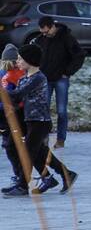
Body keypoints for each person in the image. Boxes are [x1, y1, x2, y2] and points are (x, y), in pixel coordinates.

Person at [5, 44, 77, 195]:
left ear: (30, 60)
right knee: (35, 151)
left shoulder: (38, 78)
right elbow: (17, 100)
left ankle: (23, 185)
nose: (17, 62)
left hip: (40, 122)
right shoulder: (24, 79)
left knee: (29, 153)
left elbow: (18, 94)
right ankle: (67, 174)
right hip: (28, 120)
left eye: (20, 59)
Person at [28, 15, 85, 150]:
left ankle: (61, 139)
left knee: (61, 111)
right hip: (45, 80)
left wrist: (68, 71)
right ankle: (44, 138)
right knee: (43, 110)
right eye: (42, 32)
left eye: (46, 31)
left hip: (61, 79)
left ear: (52, 27)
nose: (45, 34)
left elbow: (79, 55)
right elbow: (33, 57)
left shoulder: (67, 38)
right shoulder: (40, 40)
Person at [1, 44, 27, 193]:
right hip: (9, 114)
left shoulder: (16, 74)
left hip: (14, 114)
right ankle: (19, 176)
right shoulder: (6, 74)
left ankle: (21, 177)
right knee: (11, 146)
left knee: (12, 146)